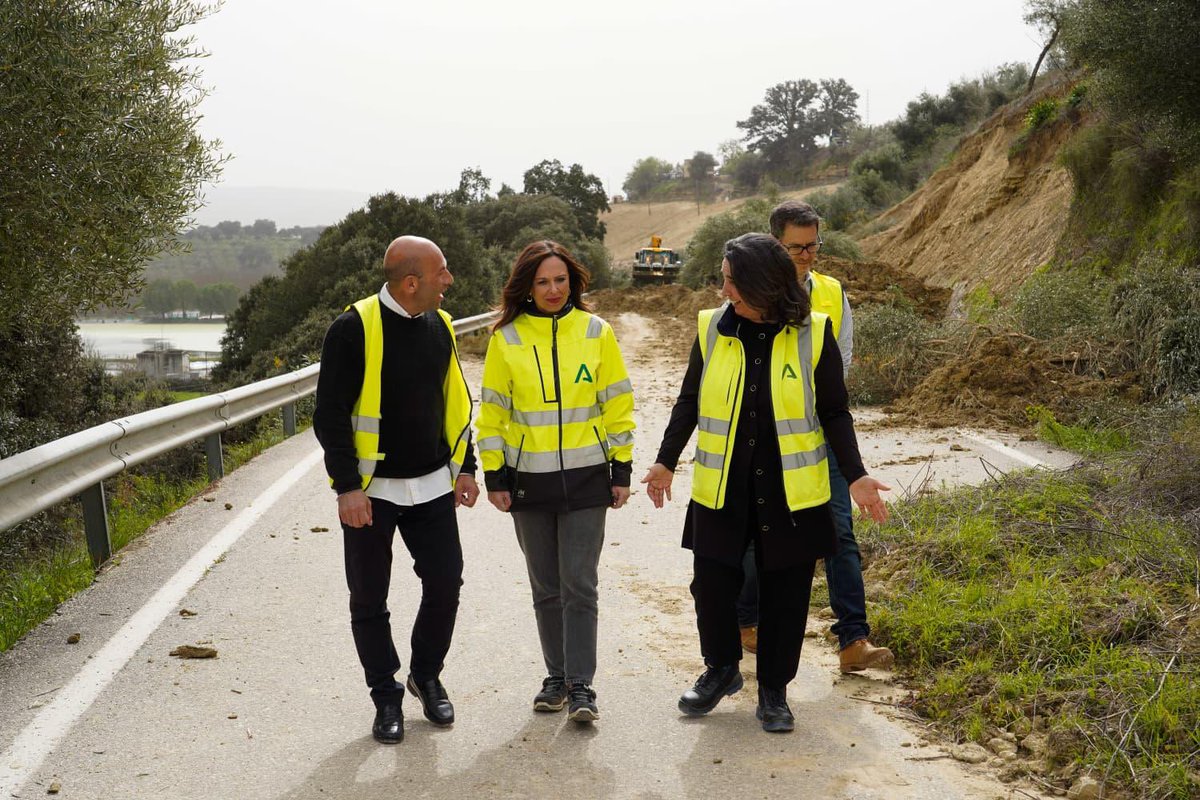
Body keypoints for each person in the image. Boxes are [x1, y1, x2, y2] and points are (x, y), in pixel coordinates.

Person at [641, 233, 889, 733]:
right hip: (721, 485)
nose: (724, 289)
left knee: (786, 595)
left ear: (763, 284)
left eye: (732, 280)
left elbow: (834, 412)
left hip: (791, 491)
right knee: (710, 585)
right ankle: (721, 669)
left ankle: (774, 691)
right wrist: (665, 460)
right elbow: (689, 400)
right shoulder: (712, 328)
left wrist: (856, 475)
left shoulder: (813, 334)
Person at [313, 235, 479, 745]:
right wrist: (347, 487)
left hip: (432, 484)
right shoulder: (352, 328)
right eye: (442, 272)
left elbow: (454, 401)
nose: (449, 280)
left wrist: (466, 466)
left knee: (446, 582)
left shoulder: (442, 325)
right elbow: (330, 415)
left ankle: (425, 676)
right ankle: (385, 695)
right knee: (369, 597)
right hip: (371, 492)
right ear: (412, 282)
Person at [476, 240, 635, 724]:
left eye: (560, 280)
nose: (552, 289)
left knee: (579, 585)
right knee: (546, 587)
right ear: (527, 285)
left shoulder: (596, 332)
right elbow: (493, 414)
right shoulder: (507, 339)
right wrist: (495, 474)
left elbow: (618, 404)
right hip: (528, 484)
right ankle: (557, 677)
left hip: (588, 480)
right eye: (542, 281)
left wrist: (621, 468)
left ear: (573, 282)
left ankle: (582, 686)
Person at [738, 199, 894, 673]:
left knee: (839, 533)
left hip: (820, 433)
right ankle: (746, 620)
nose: (806, 256)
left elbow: (840, 361)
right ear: (773, 245)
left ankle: (853, 640)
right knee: (755, 531)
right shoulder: (747, 294)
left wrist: (820, 410)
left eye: (813, 246)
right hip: (767, 437)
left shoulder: (832, 293)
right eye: (795, 248)